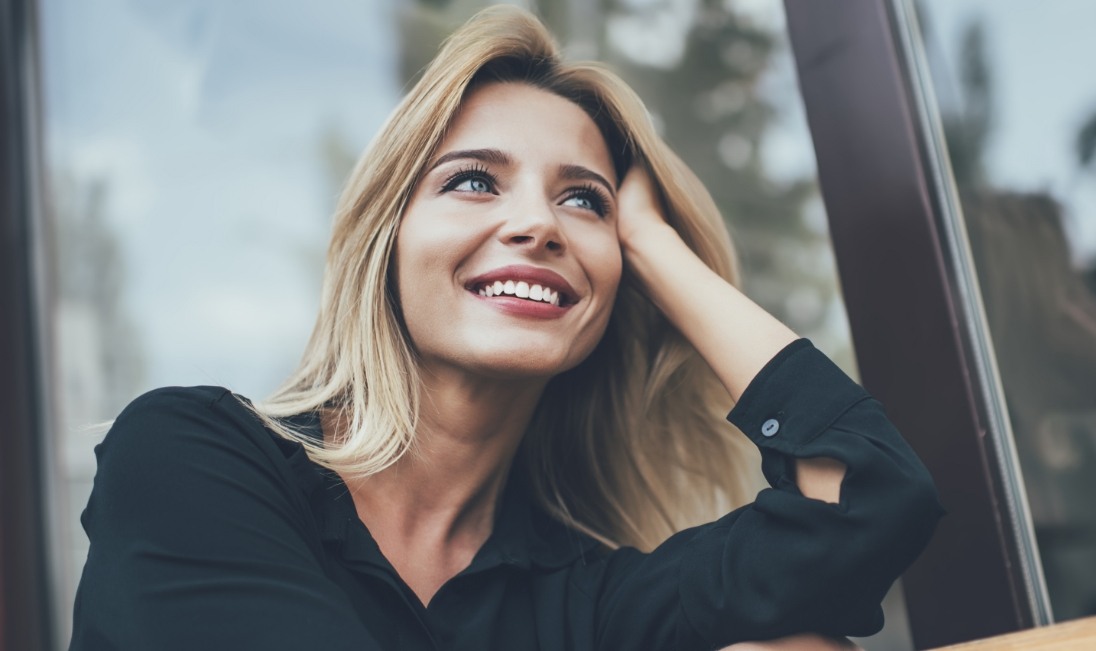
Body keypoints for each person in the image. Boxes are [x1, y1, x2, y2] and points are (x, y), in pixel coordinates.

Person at [69, 6, 943, 650]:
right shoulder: (190, 455)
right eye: (475, 182)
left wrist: (656, 245)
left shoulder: (586, 600)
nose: (541, 225)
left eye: (582, 200)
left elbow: (872, 499)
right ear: (389, 242)